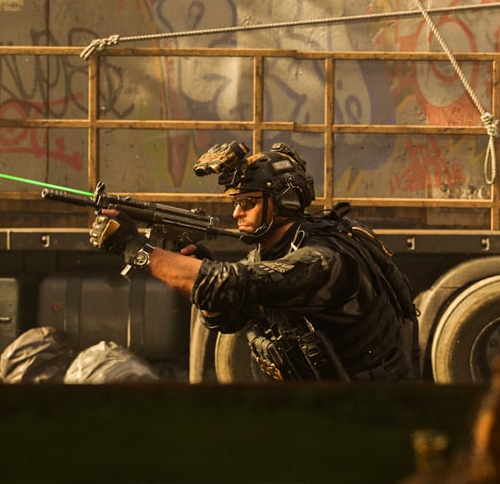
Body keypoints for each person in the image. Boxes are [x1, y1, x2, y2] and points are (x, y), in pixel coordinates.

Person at [87, 141, 418, 382]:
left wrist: (136, 250)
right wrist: (207, 285)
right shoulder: (278, 250)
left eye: (247, 202)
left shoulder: (322, 260)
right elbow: (227, 317)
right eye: (235, 202)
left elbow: (230, 283)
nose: (236, 213)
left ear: (283, 201)